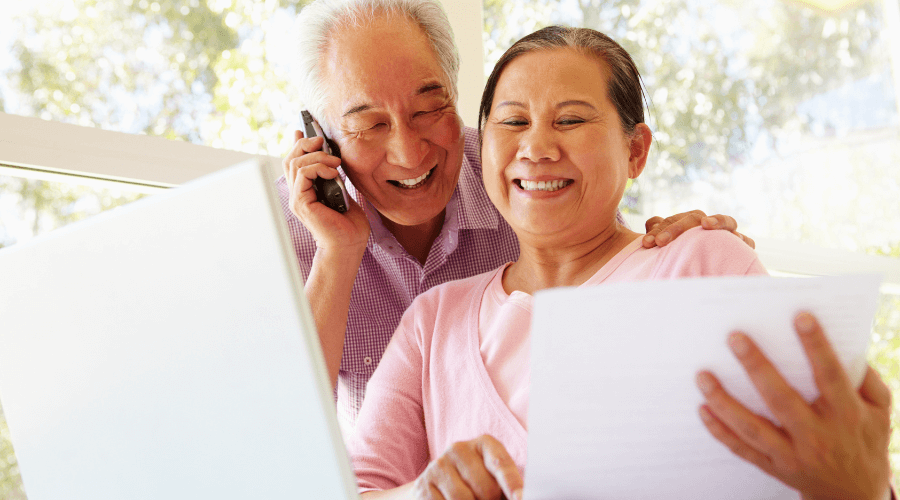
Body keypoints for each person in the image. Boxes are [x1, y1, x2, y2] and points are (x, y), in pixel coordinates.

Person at [346, 26, 894, 500]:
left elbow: (831, 464)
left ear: (635, 151)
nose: (536, 147)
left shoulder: (700, 265)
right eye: (512, 122)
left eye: (571, 120)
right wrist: (424, 491)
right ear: (481, 145)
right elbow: (355, 488)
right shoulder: (433, 319)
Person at [279, 0, 755, 428]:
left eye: (430, 108)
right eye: (369, 124)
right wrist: (337, 254)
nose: (407, 152)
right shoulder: (287, 231)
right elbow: (281, 432)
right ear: (320, 135)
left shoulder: (510, 174)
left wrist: (678, 256)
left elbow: (598, 255)